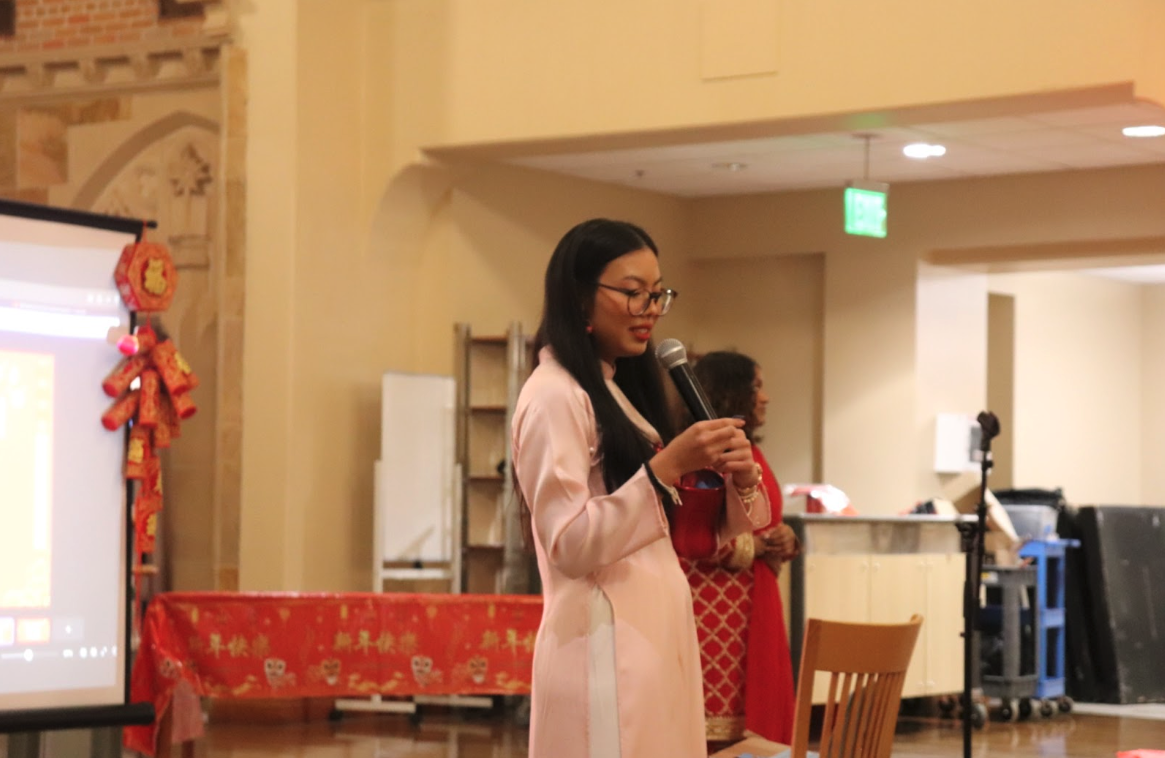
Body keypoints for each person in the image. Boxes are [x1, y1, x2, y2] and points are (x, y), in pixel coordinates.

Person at [511, 219, 771, 758]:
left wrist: (739, 482)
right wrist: (664, 469)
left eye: (657, 294)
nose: (650, 308)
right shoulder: (555, 396)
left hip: (652, 626)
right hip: (603, 640)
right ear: (579, 296)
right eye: (632, 293)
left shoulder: (611, 388)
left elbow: (672, 530)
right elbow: (569, 544)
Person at [674, 350, 799, 747]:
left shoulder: (748, 450)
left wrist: (784, 540)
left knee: (751, 736)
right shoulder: (702, 452)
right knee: (717, 735)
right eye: (756, 387)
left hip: (752, 603)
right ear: (731, 393)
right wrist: (758, 545)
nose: (765, 398)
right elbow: (690, 535)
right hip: (713, 611)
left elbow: (764, 521)